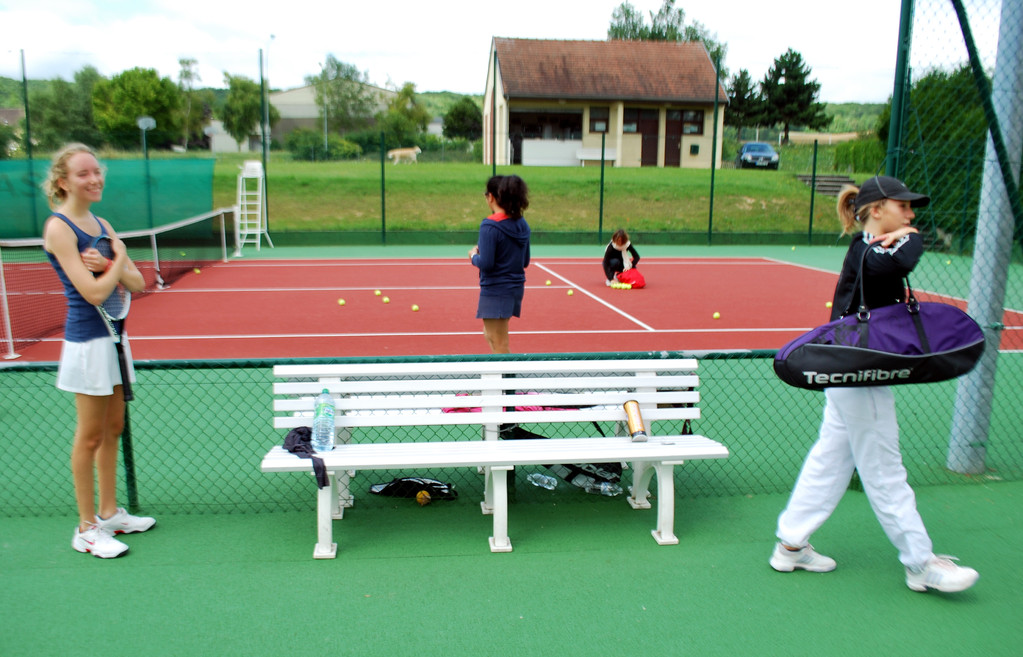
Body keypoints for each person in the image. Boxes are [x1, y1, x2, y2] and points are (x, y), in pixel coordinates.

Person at [770, 175, 979, 593]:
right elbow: (902, 260)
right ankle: (921, 564)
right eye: (903, 207)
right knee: (884, 468)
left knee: (830, 458)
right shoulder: (870, 249)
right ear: (878, 209)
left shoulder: (869, 246)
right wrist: (908, 235)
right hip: (860, 375)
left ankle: (791, 545)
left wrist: (898, 233)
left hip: (853, 371)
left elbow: (895, 260)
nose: (911, 215)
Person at [42, 143, 155, 558]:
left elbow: (139, 283)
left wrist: (113, 262)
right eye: (83, 174)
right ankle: (86, 528)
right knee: (89, 436)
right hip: (87, 344)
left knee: (112, 430)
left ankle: (109, 514)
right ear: (62, 182)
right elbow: (91, 294)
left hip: (115, 341)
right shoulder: (59, 228)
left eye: (97, 171)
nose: (94, 179)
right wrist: (117, 265)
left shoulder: (101, 222)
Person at [469, 175, 531, 354]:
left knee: (499, 343)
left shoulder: (489, 226)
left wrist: (473, 256)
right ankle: (503, 377)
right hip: (514, 288)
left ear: (492, 197)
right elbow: (525, 260)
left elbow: (486, 263)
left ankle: (507, 380)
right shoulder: (522, 223)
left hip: (496, 290)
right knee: (490, 335)